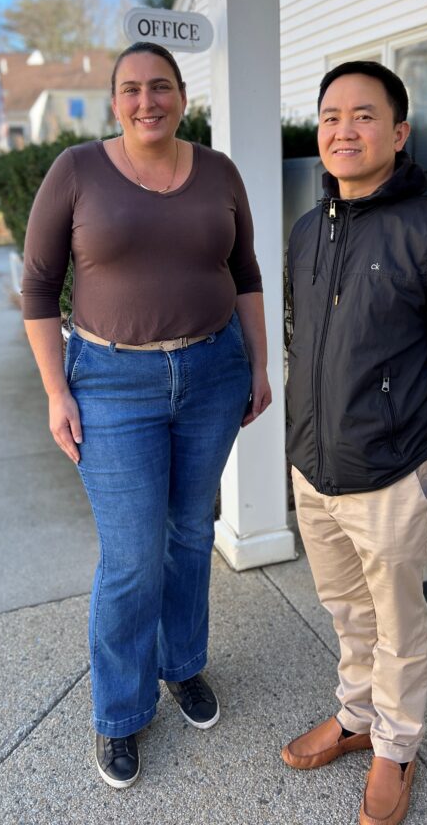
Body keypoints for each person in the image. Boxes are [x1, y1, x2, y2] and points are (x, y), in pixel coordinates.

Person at [21, 41, 271, 789]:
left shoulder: (220, 172)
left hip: (211, 371)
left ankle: (182, 666)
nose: (145, 101)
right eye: (130, 89)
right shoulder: (76, 171)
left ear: (182, 95)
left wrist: (258, 365)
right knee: (132, 557)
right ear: (113, 101)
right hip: (110, 383)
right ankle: (120, 713)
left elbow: (247, 271)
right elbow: (40, 289)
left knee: (191, 534)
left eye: (159, 87)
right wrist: (56, 391)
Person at [282, 61, 427, 825]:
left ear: (398, 133)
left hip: (391, 475)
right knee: (346, 610)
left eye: (365, 114)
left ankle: (396, 747)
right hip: (315, 469)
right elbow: (298, 341)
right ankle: (356, 716)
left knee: (397, 623)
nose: (346, 128)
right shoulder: (307, 231)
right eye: (332, 115)